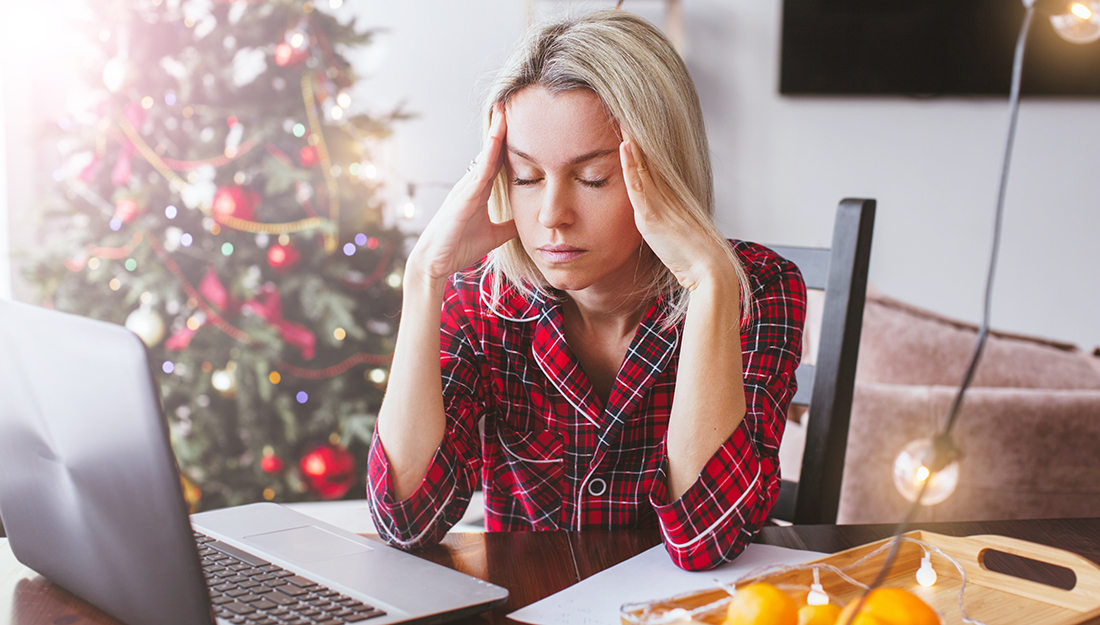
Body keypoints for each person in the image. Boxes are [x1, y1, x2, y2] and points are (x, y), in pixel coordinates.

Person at [366, 9, 805, 572]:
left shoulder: (756, 290)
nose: (552, 215)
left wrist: (710, 283)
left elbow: (706, 541)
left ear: (665, 171)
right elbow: (406, 521)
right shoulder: (483, 300)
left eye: (593, 179)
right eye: (525, 177)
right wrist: (425, 274)